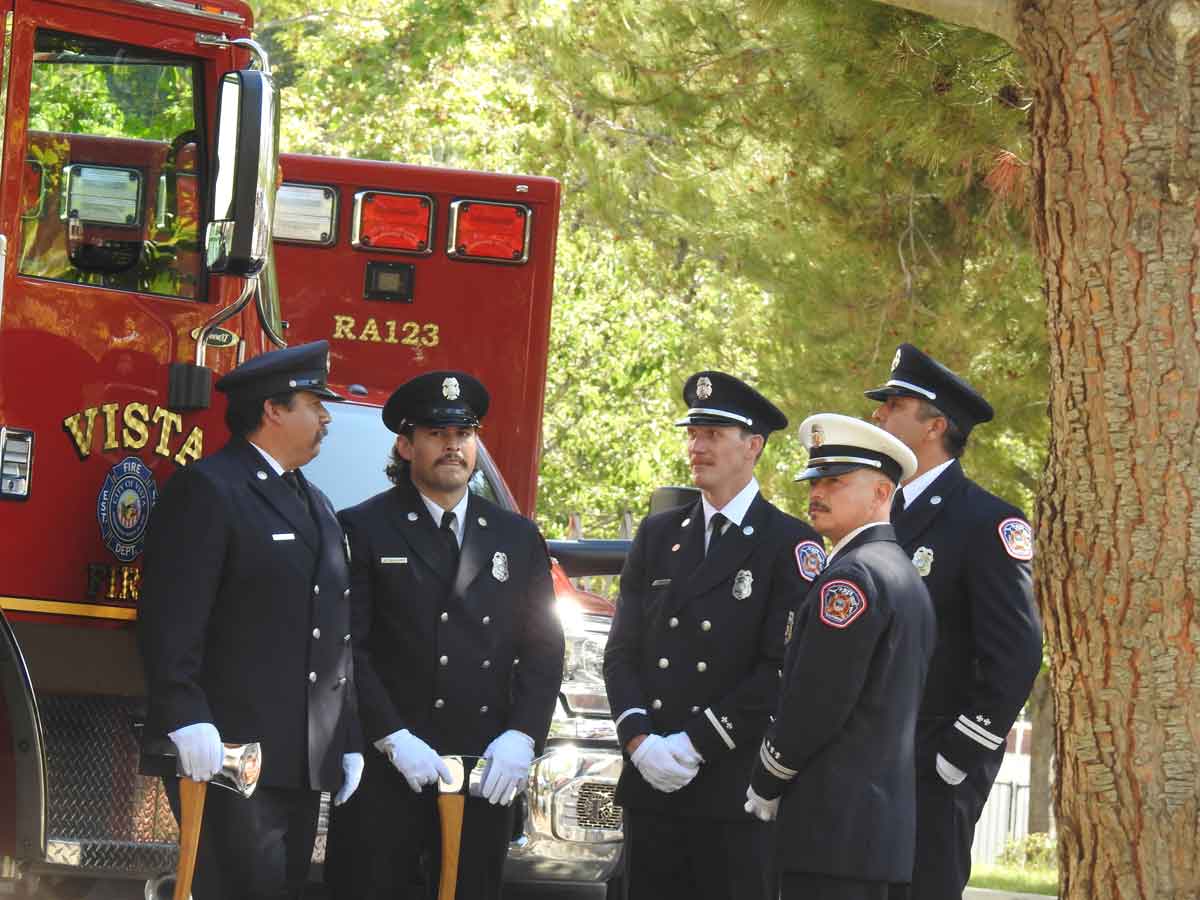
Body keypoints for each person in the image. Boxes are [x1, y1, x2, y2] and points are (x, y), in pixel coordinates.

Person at [325, 370, 564, 900]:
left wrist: (523, 737)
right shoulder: (363, 528)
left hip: (482, 768)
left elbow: (543, 649)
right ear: (406, 445)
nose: (452, 446)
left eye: (464, 434)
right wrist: (392, 736)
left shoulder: (516, 537)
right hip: (390, 767)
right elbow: (348, 647)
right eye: (436, 434)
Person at [138, 340, 363, 900]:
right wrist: (184, 712)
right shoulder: (212, 489)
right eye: (315, 402)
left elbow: (334, 633)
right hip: (229, 748)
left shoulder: (317, 503)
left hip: (300, 756)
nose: (326, 416)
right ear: (272, 409)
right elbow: (172, 614)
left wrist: (348, 735)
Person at [604, 371, 822, 900]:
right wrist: (639, 741)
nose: (697, 447)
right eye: (693, 433)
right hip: (651, 779)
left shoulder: (789, 543)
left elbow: (781, 669)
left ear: (753, 447)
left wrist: (694, 743)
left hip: (728, 786)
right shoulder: (659, 534)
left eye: (713, 435)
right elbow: (622, 652)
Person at [865, 344, 1042, 899]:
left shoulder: (987, 521)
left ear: (935, 424)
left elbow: (1015, 652)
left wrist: (957, 755)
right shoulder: (873, 512)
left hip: (930, 764)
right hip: (861, 762)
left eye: (894, 404)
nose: (878, 415)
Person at [745, 413, 936, 900]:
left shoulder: (851, 579)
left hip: (831, 828)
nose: (817, 493)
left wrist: (770, 774)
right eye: (815, 480)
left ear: (880, 494)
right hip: (875, 831)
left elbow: (819, 697)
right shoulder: (901, 572)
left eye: (835, 482)